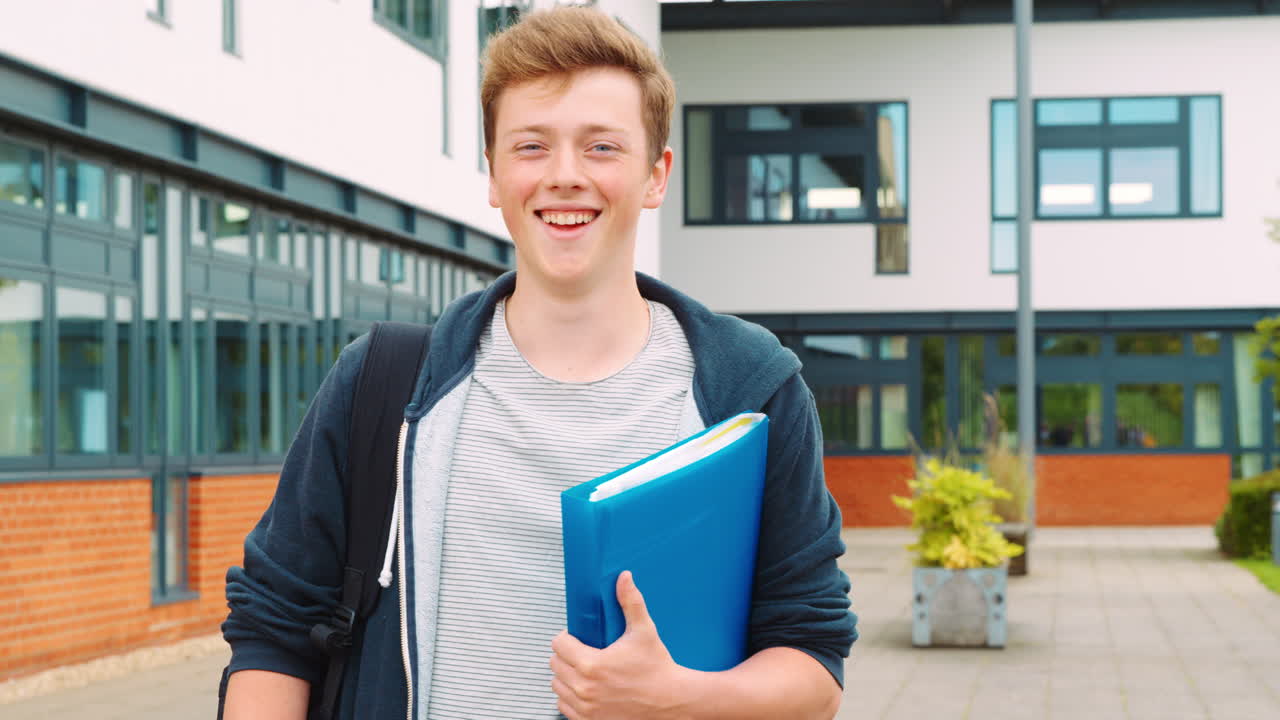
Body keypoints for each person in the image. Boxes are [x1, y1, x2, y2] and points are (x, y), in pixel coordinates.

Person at [220, 7, 857, 719]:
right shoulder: (382, 386)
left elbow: (813, 664)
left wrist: (682, 699)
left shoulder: (750, 392)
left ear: (656, 175)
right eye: (531, 147)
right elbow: (273, 630)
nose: (564, 177)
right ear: (493, 175)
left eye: (602, 148)